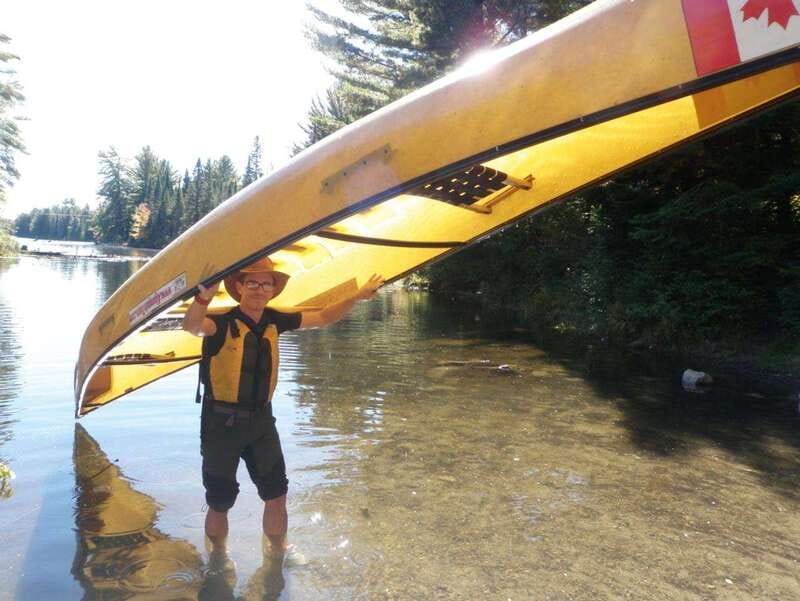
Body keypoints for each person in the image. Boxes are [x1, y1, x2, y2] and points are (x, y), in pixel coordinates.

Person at [182, 257, 383, 559]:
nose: (259, 289)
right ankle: (219, 557)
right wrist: (203, 298)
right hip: (221, 425)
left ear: (273, 290)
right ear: (239, 287)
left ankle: (278, 553)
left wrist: (356, 296)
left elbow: (323, 317)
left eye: (266, 284)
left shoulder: (275, 320)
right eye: (252, 282)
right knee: (220, 501)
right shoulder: (221, 323)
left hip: (261, 423)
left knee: (276, 493)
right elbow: (192, 326)